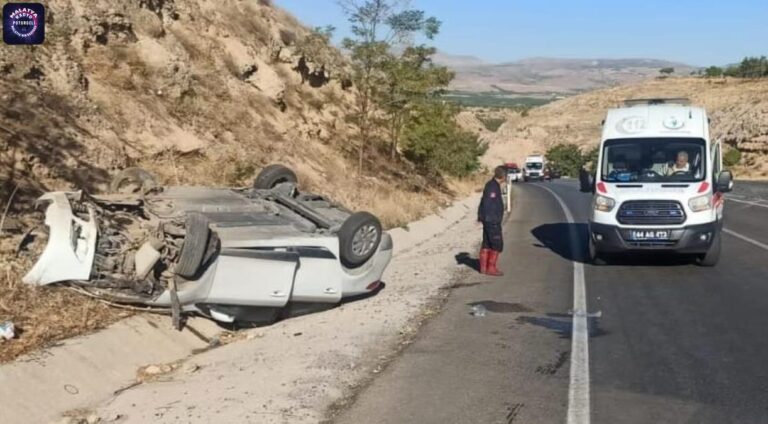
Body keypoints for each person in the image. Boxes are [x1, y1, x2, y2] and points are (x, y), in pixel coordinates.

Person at [477, 166, 506, 277]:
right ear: (503, 176)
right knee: (497, 244)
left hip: (488, 219)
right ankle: (491, 268)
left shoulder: (492, 185)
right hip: (492, 221)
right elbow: (488, 204)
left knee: (487, 243)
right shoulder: (492, 187)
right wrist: (491, 220)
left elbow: (483, 202)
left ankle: (483, 268)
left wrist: (481, 217)